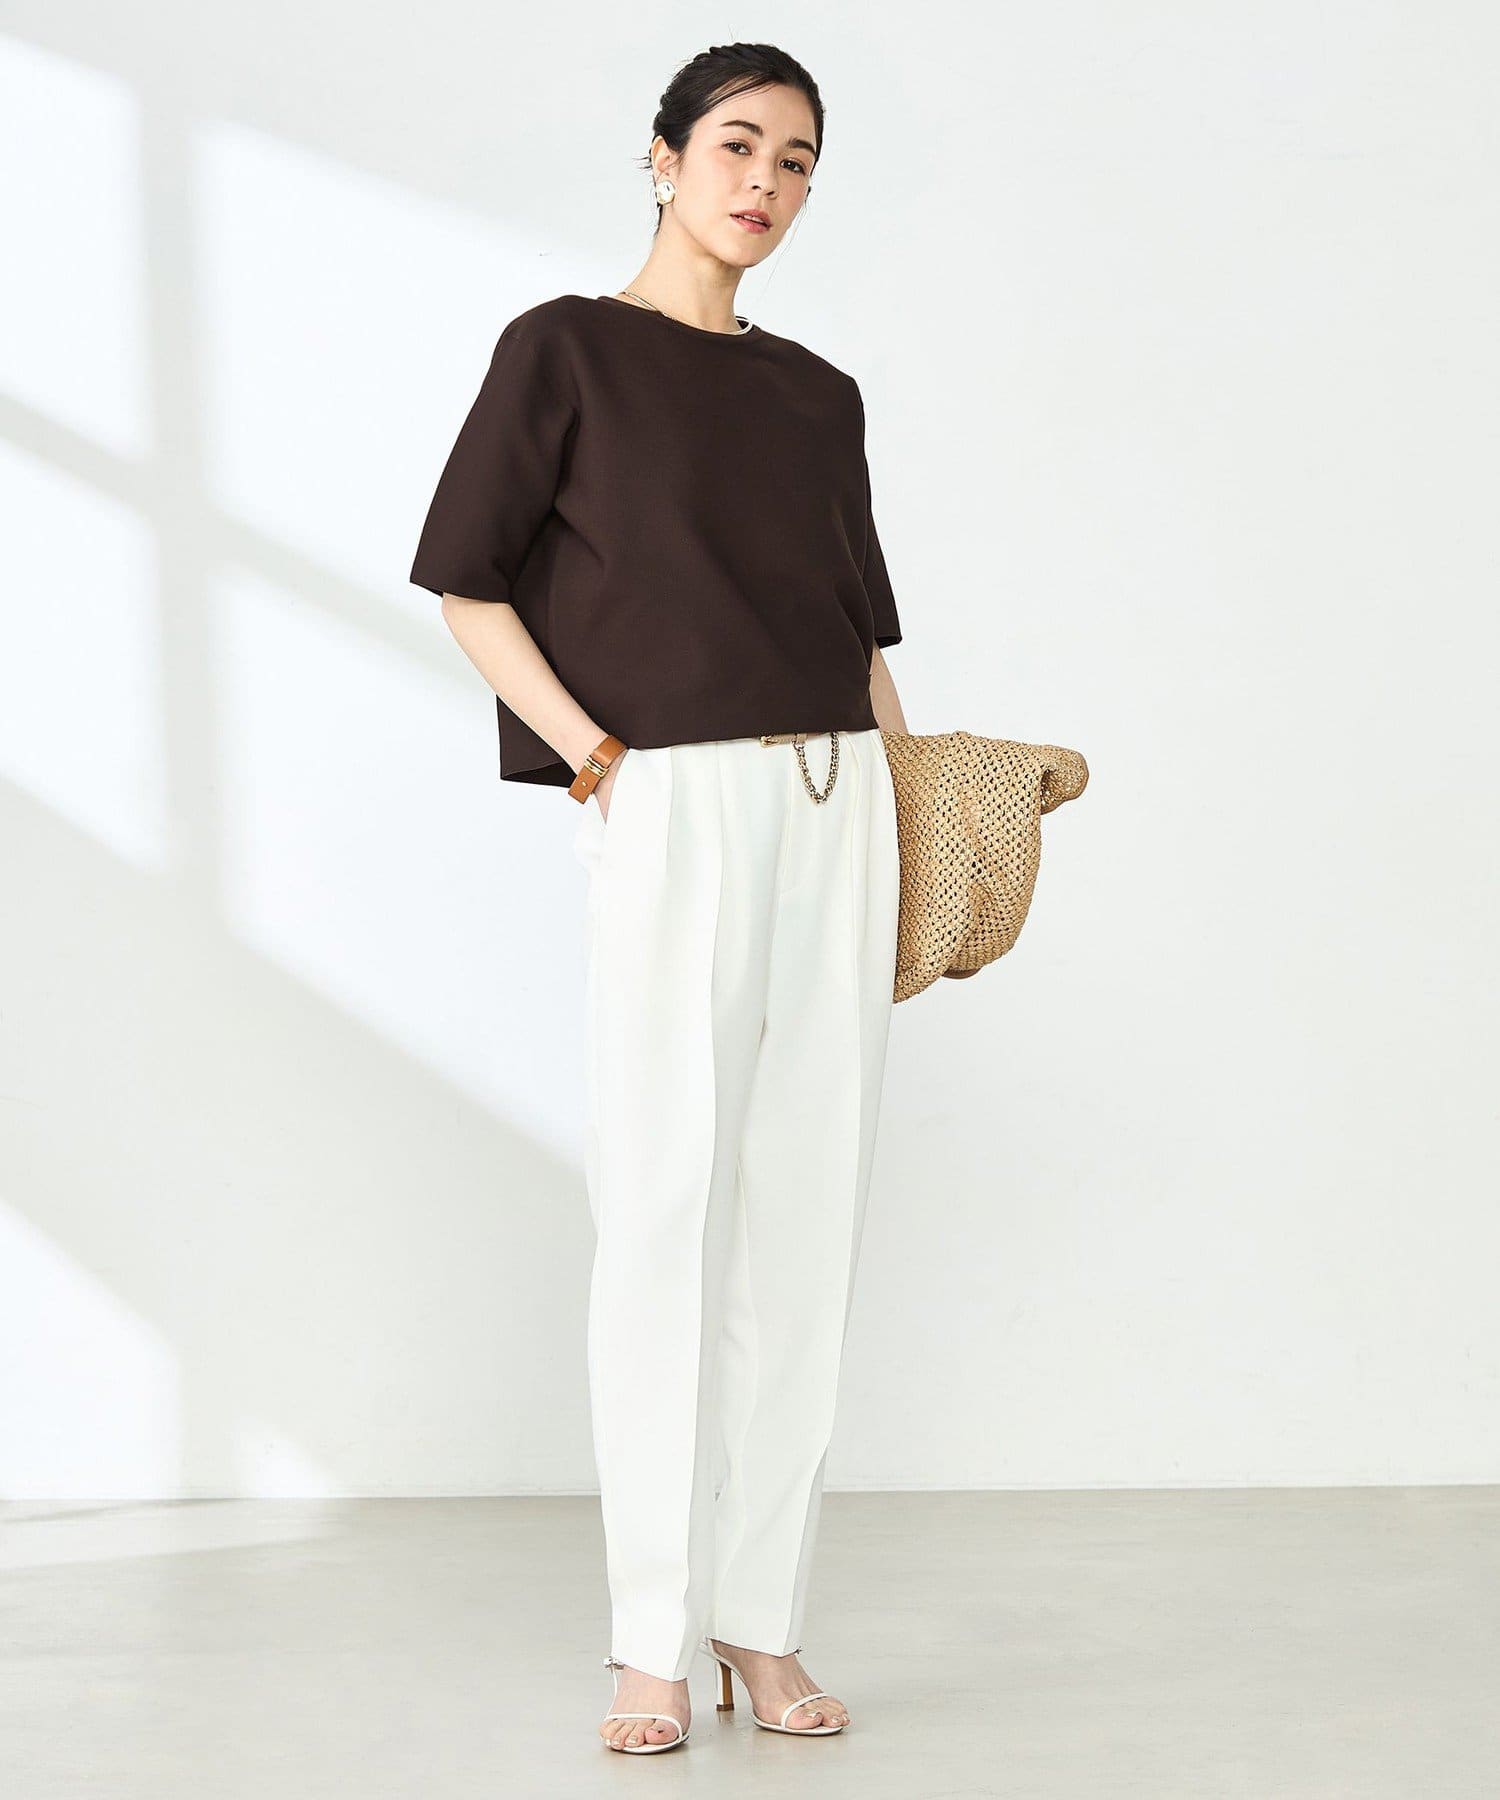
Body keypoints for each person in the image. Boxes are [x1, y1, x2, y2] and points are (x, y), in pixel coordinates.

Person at [409, 43, 910, 1756]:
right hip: (671, 796)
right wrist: (595, 756)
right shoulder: (564, 349)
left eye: (798, 160)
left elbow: (861, 635)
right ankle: (649, 1636)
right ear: (665, 155)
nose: (765, 182)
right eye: (738, 144)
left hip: (838, 796)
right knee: (662, 1206)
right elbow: (467, 582)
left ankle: (763, 1619)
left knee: (809, 1213)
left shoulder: (820, 396)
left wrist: (910, 816)